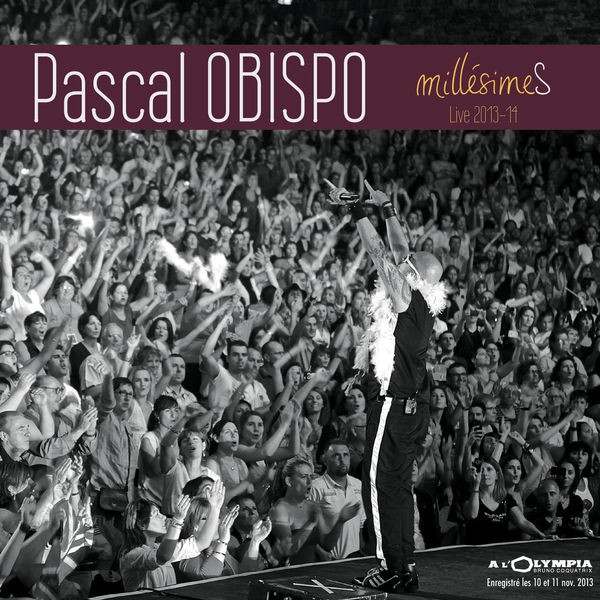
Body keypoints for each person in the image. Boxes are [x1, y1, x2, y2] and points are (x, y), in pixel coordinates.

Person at [328, 180, 446, 593]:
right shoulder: (422, 301)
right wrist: (388, 208)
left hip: (394, 406)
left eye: (407, 263)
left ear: (414, 274)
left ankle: (390, 565)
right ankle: (405, 563)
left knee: (377, 485)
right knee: (397, 486)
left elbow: (381, 253)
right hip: (412, 406)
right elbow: (399, 249)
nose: (402, 259)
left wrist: (357, 211)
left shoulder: (405, 298)